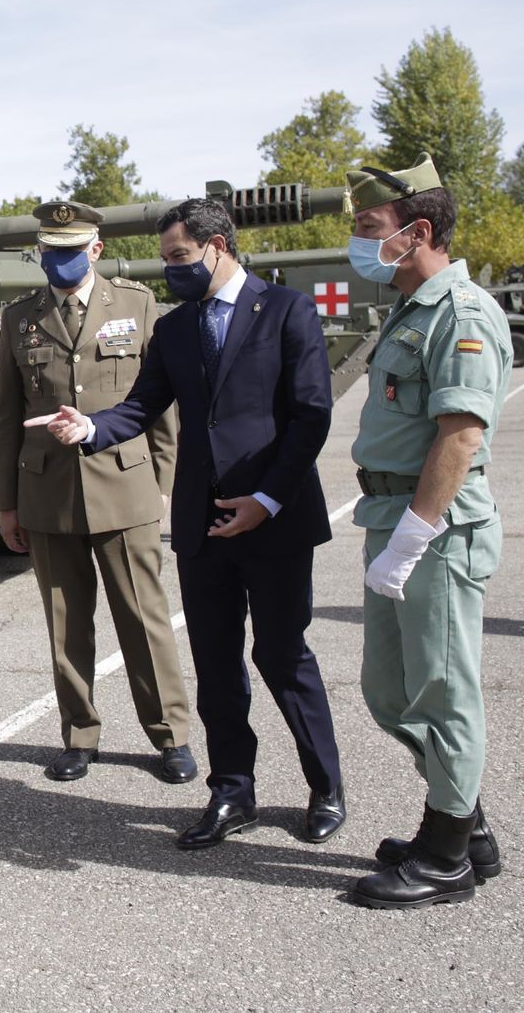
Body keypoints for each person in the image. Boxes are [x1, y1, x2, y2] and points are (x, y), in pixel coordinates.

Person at [32, 197, 346, 850]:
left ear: (218, 245)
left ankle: (325, 787)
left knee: (283, 657)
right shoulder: (176, 330)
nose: (171, 270)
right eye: (166, 259)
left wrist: (267, 498)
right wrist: (90, 427)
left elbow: (311, 417)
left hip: (274, 520)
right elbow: (141, 407)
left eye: (180, 258)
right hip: (204, 526)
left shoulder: (287, 311)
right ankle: (232, 790)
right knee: (217, 663)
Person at [344, 154, 510, 909]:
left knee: (443, 692)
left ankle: (446, 855)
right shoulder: (409, 309)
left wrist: (415, 534)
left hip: (432, 530)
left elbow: (460, 435)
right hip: (394, 520)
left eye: (369, 229)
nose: (357, 242)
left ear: (415, 233)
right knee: (389, 692)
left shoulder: (462, 312)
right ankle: (464, 820)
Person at [0, 200, 194, 784]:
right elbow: (6, 418)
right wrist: (8, 504)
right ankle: (79, 734)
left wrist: (163, 487)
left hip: (125, 485)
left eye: (69, 252)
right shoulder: (19, 318)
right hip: (48, 492)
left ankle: (171, 736)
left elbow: (160, 408)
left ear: (95, 250)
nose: (57, 262)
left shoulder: (136, 305)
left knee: (144, 618)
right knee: (65, 624)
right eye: (49, 252)